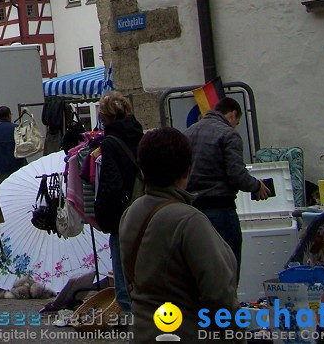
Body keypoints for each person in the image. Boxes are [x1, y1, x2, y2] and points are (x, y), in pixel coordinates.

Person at [119, 127, 238, 341]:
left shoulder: (131, 213)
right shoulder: (190, 221)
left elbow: (131, 283)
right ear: (187, 171)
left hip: (143, 333)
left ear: (143, 169)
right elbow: (219, 295)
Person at [186, 96, 270, 275]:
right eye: (237, 122)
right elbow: (237, 175)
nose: (235, 125)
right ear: (232, 115)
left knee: (201, 272)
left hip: (192, 212)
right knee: (227, 271)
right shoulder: (228, 134)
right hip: (221, 210)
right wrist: (257, 186)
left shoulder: (189, 132)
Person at [93, 90, 143, 313]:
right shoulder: (141, 136)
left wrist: (103, 214)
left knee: (123, 280)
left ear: (104, 117)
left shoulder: (110, 143)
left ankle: (136, 329)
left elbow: (111, 185)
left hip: (122, 216)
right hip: (145, 209)